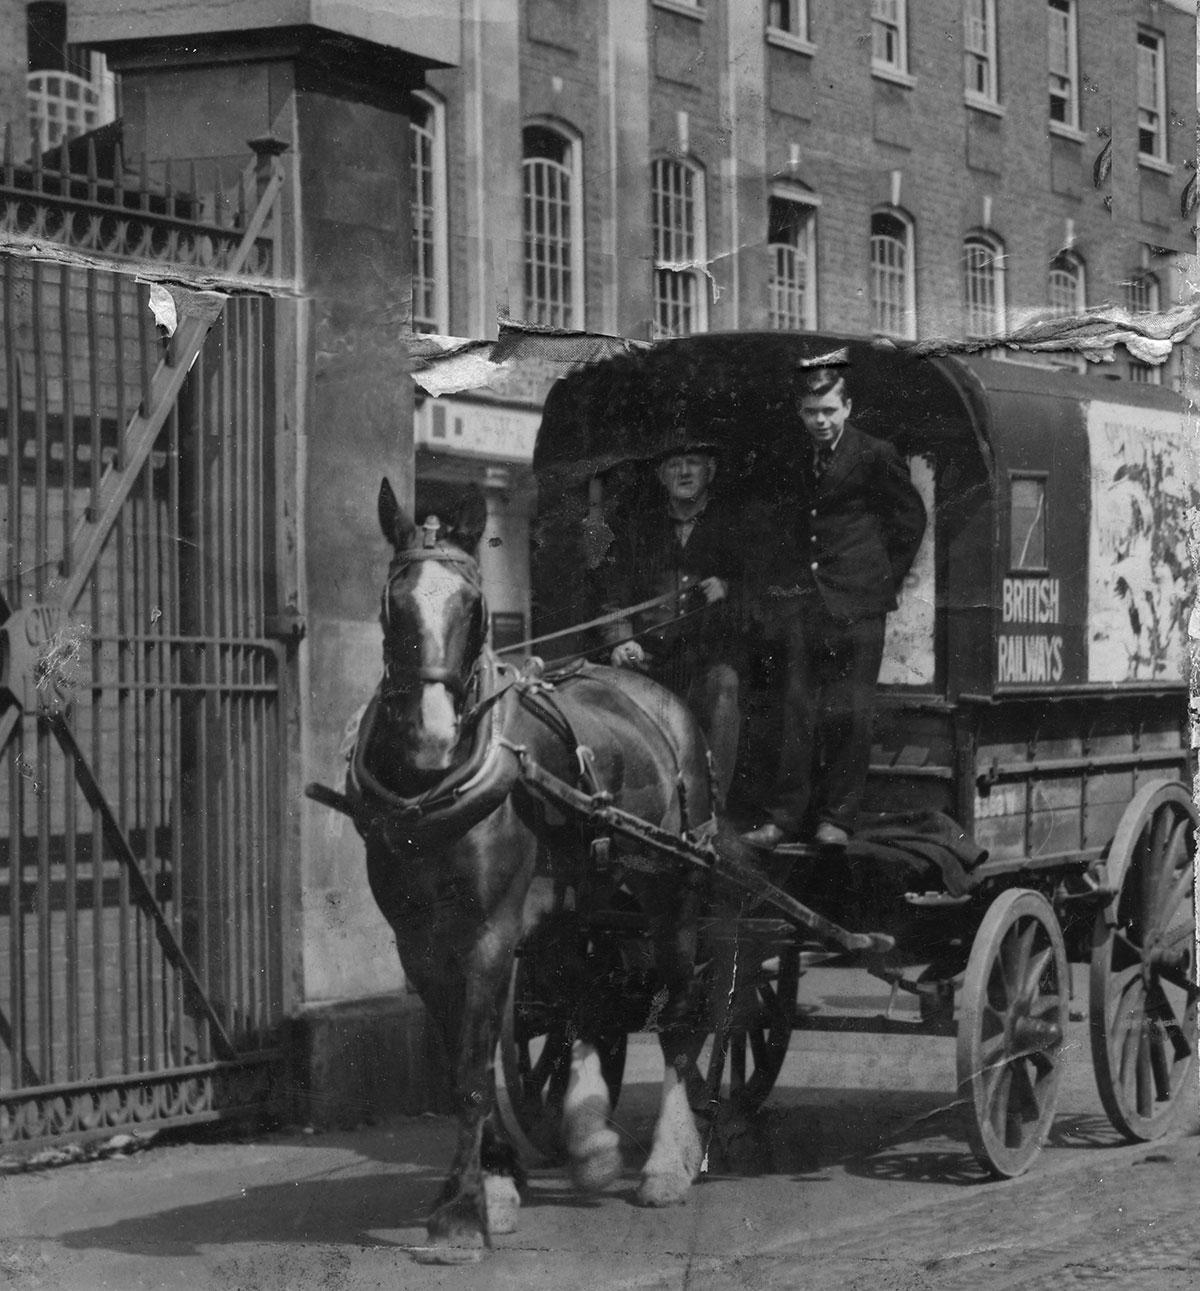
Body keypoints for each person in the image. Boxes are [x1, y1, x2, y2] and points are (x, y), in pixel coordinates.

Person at [743, 362, 926, 850]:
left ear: (847, 407)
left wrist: (882, 579)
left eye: (828, 411)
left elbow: (910, 520)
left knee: (851, 712)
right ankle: (784, 818)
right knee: (796, 710)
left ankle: (837, 821)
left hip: (859, 606)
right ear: (798, 413)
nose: (819, 421)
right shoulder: (794, 457)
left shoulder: (875, 455)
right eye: (809, 412)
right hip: (806, 606)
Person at [602, 443, 743, 806]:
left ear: (709, 470)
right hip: (649, 663)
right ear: (662, 476)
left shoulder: (734, 524)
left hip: (704, 663)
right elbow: (613, 595)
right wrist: (622, 640)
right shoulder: (637, 530)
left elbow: (761, 587)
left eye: (693, 463)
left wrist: (729, 588)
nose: (684, 472)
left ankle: (713, 810)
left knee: (724, 685)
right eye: (674, 465)